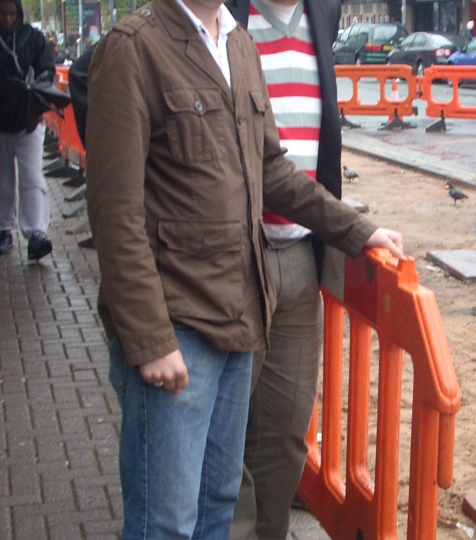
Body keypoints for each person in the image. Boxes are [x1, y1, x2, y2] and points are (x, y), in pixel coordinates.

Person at [83, 0, 404, 537]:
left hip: (239, 316)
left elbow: (271, 169)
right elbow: (115, 212)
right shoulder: (132, 48)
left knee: (218, 507)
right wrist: (149, 337)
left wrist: (355, 229)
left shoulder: (238, 44)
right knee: (164, 522)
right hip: (177, 329)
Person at [219, 0, 349, 538]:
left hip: (298, 255)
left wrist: (350, 229)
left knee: (285, 430)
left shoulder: (324, 12)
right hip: (234, 259)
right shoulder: (221, 16)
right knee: (224, 434)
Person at [0, 0, 55, 259]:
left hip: (28, 121)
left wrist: (38, 85)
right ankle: (3, 228)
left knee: (32, 176)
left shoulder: (32, 38)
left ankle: (35, 232)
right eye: (3, 13)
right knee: (3, 180)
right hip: (2, 122)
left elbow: (47, 69)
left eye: (12, 14)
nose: (7, 19)